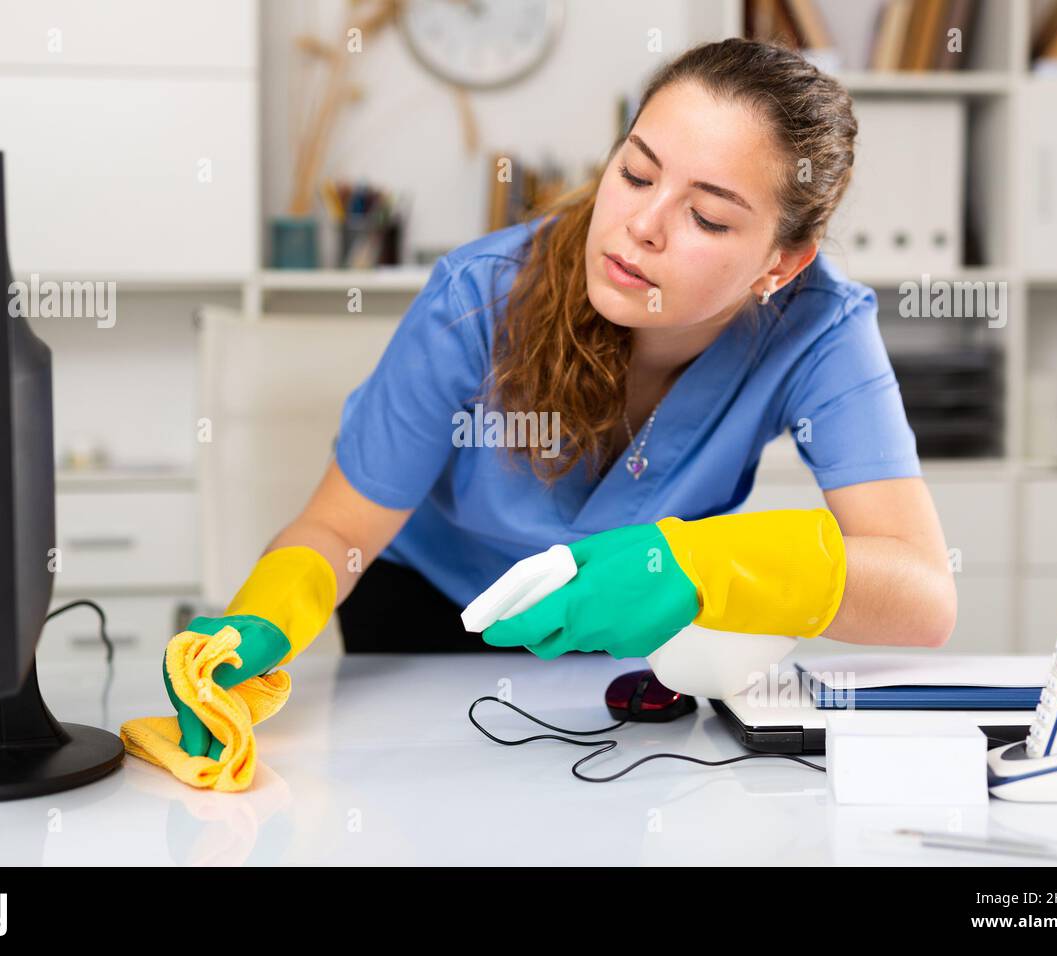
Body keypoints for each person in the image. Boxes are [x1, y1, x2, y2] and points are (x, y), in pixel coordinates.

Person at [168, 38, 957, 756]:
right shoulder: (476, 299)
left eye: (708, 216)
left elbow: (922, 594)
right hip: (427, 628)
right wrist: (262, 618)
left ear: (779, 265)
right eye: (636, 173)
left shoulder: (818, 323)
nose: (641, 225)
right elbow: (340, 525)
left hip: (632, 632)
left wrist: (699, 566)